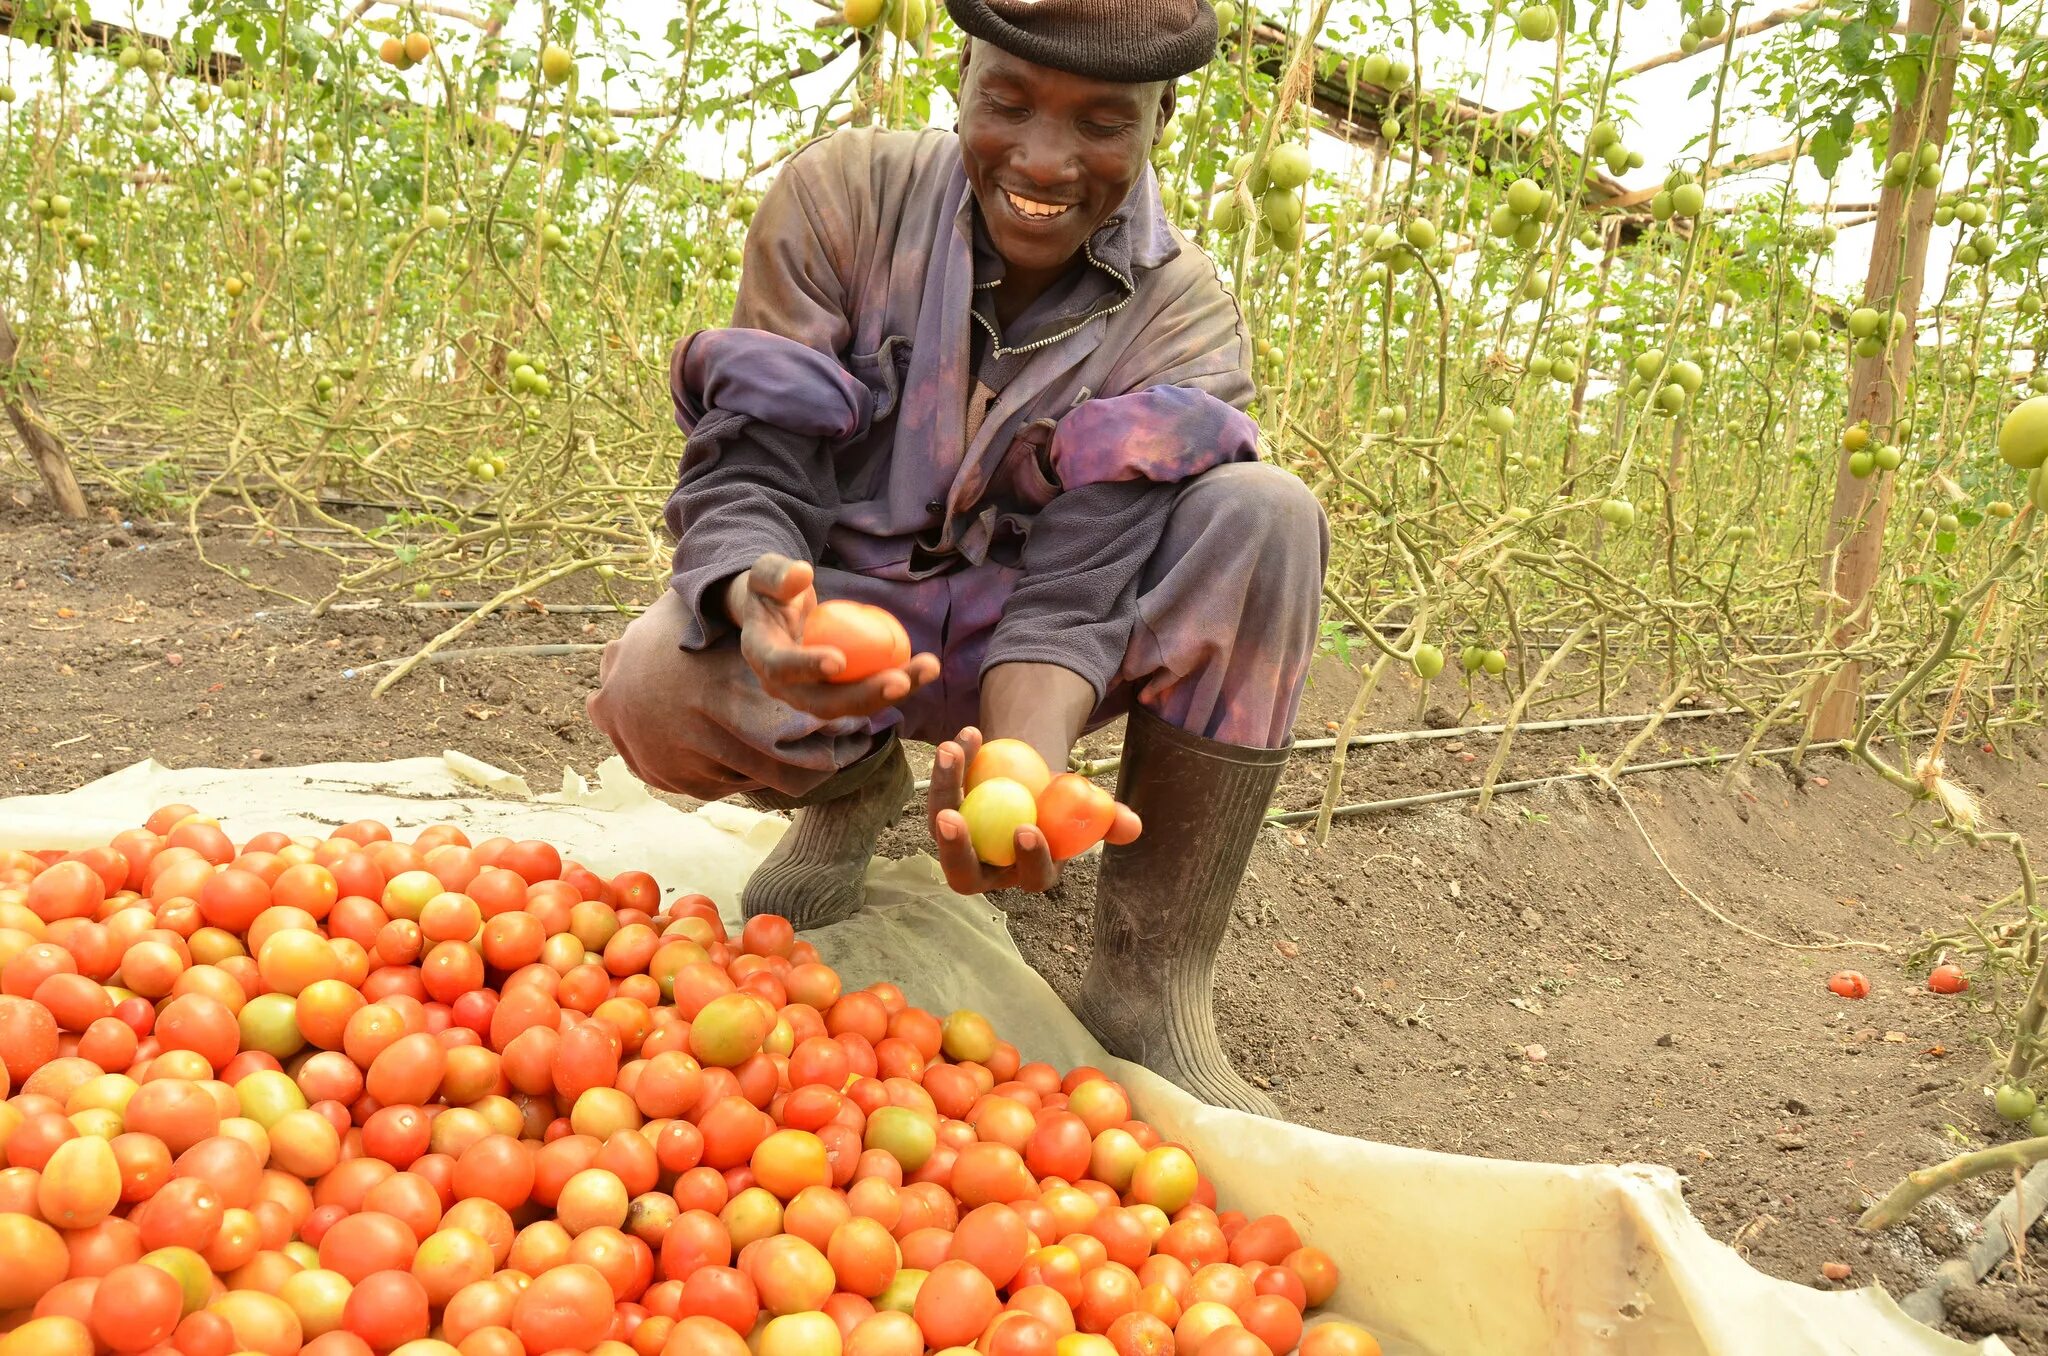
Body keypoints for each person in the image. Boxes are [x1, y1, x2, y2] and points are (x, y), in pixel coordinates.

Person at [588, 0, 1329, 1115]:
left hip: (1017, 649)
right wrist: (759, 599)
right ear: (961, 74)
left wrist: (1019, 782)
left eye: (1101, 123)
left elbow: (1079, 587)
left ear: (1160, 121)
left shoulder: (1182, 319)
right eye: (1008, 101)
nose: (1043, 159)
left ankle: (1149, 985)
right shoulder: (843, 197)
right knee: (654, 680)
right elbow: (753, 461)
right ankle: (845, 785)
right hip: (836, 629)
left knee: (1266, 513)